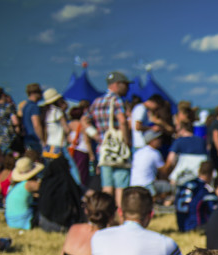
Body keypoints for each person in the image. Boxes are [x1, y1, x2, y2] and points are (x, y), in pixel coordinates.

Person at [89, 71, 131, 207]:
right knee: (121, 185)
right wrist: (126, 141)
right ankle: (120, 215)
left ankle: (105, 214)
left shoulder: (96, 101)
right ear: (117, 85)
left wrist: (96, 135)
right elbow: (122, 121)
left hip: (103, 149)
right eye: (125, 85)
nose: (127, 88)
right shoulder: (117, 100)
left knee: (107, 186)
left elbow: (84, 120)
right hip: (118, 148)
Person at [37, 156, 83, 233]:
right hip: (60, 225)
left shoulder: (46, 182)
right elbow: (77, 200)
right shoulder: (67, 183)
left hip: (43, 222)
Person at [175, 160, 218, 233]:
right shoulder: (205, 189)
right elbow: (215, 210)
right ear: (211, 174)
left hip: (181, 224)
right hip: (195, 226)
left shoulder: (185, 185)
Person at [4, 157, 43, 230]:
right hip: (25, 221)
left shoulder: (13, 186)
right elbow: (47, 188)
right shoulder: (28, 184)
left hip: (11, 221)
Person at [130, 130, 170, 199]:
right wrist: (171, 161)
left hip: (133, 184)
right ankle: (159, 201)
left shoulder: (138, 152)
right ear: (152, 141)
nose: (160, 140)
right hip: (147, 185)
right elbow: (164, 172)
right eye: (158, 138)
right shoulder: (155, 153)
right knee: (171, 187)